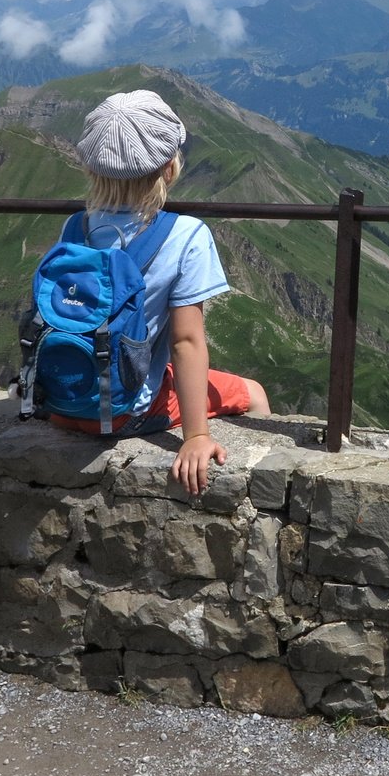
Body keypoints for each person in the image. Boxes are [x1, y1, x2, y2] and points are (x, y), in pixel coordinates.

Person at [47, 89, 270, 493]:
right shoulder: (185, 235)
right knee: (252, 393)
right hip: (122, 411)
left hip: (62, 401)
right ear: (169, 169)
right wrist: (196, 438)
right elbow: (186, 342)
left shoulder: (73, 229)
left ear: (93, 169)